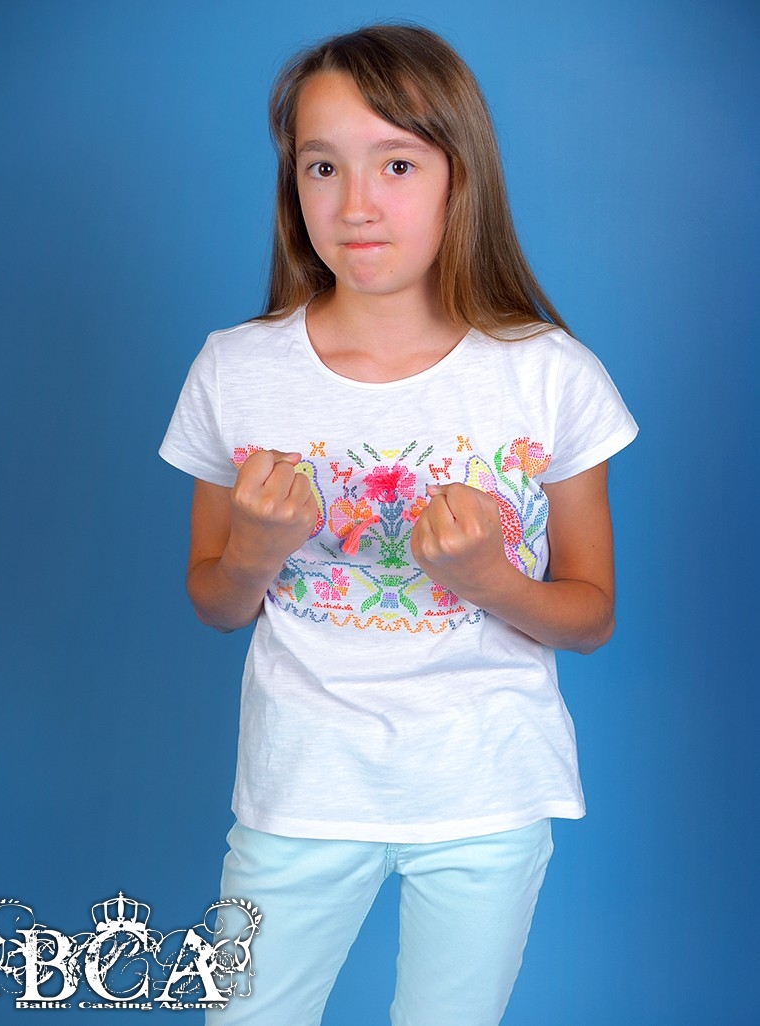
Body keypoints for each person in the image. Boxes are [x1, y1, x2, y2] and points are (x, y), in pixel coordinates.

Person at [159, 23, 638, 1025]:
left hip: (486, 792)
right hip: (298, 789)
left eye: (398, 164)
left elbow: (590, 615)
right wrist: (253, 552)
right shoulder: (235, 371)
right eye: (322, 165)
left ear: (461, 176)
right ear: (293, 183)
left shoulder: (548, 374)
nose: (356, 203)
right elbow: (213, 601)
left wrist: (491, 580)